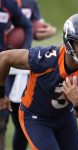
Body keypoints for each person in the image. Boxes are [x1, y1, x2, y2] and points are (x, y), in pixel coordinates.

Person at [0, 14, 78, 150]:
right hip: (35, 117)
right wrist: (1, 94)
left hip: (65, 118)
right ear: (68, 41)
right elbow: (4, 58)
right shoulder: (45, 59)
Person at [7, 0, 57, 150]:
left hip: (21, 66)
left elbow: (38, 29)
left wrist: (51, 30)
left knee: (21, 121)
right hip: (3, 62)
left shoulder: (30, 3)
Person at [0, 0, 32, 149]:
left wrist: (23, 52)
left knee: (10, 116)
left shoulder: (7, 3)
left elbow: (26, 25)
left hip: (4, 65)